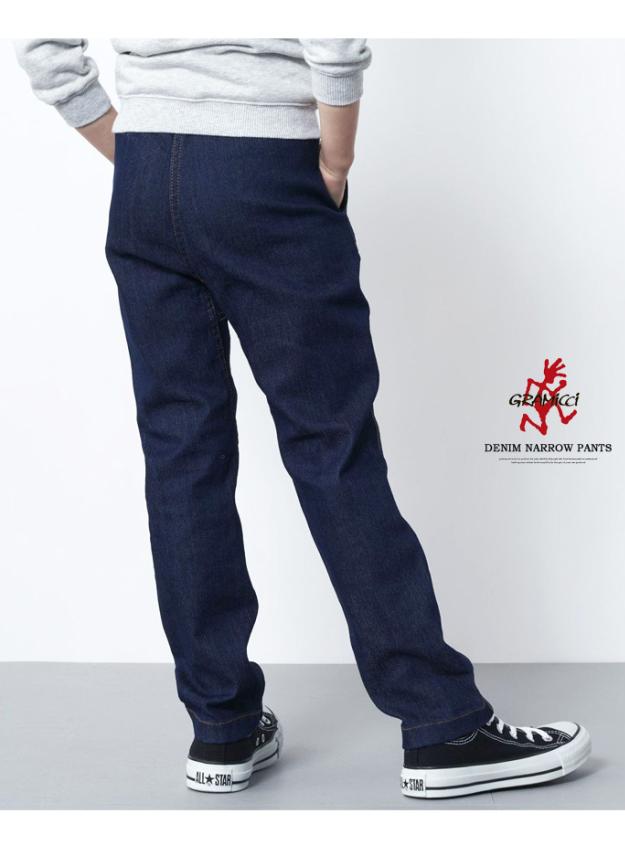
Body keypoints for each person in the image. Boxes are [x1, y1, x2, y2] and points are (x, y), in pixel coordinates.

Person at [14, 38, 590, 799]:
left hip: (145, 172)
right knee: (332, 446)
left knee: (182, 452)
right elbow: (333, 39)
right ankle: (442, 723)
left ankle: (221, 725)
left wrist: (149, 148)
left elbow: (43, 47)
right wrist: (336, 164)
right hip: (264, 165)